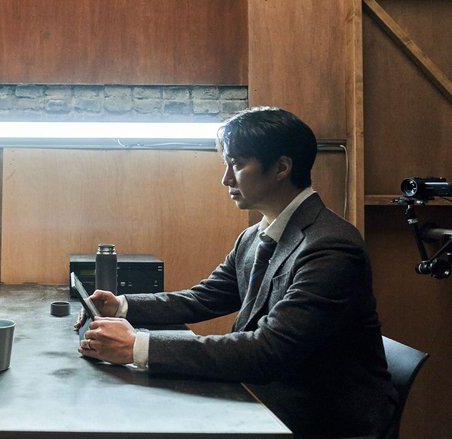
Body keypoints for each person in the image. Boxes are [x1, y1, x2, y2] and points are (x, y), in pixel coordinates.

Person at [77, 107, 397, 437]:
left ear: (281, 168)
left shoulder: (331, 246)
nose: (226, 178)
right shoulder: (254, 236)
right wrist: (122, 305)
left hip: (321, 421)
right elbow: (203, 298)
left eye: (238, 164)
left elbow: (268, 350)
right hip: (267, 400)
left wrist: (138, 346)